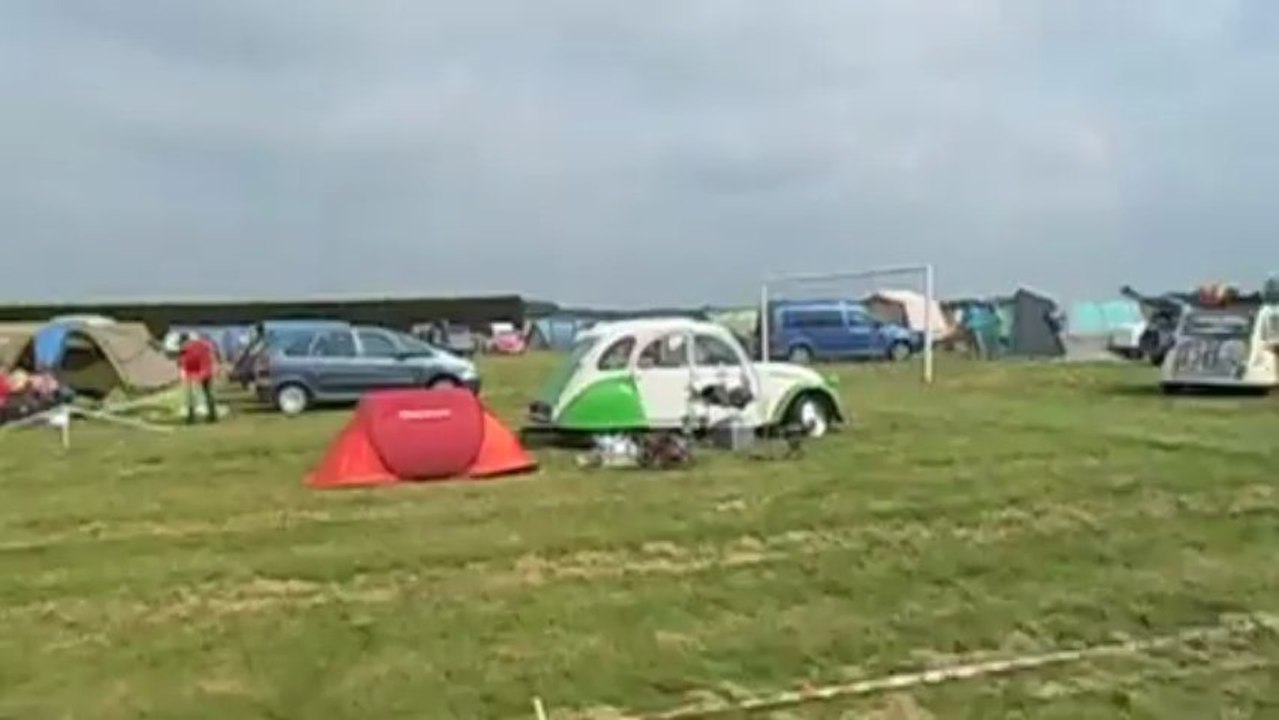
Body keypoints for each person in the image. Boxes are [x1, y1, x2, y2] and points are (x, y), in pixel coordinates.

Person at [178, 333, 219, 424]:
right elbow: (183, 363)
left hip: (203, 371)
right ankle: (207, 415)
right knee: (204, 393)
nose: (182, 345)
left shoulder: (194, 348)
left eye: (182, 342)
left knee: (196, 394)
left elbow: (205, 359)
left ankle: (194, 417)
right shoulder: (188, 349)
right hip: (203, 371)